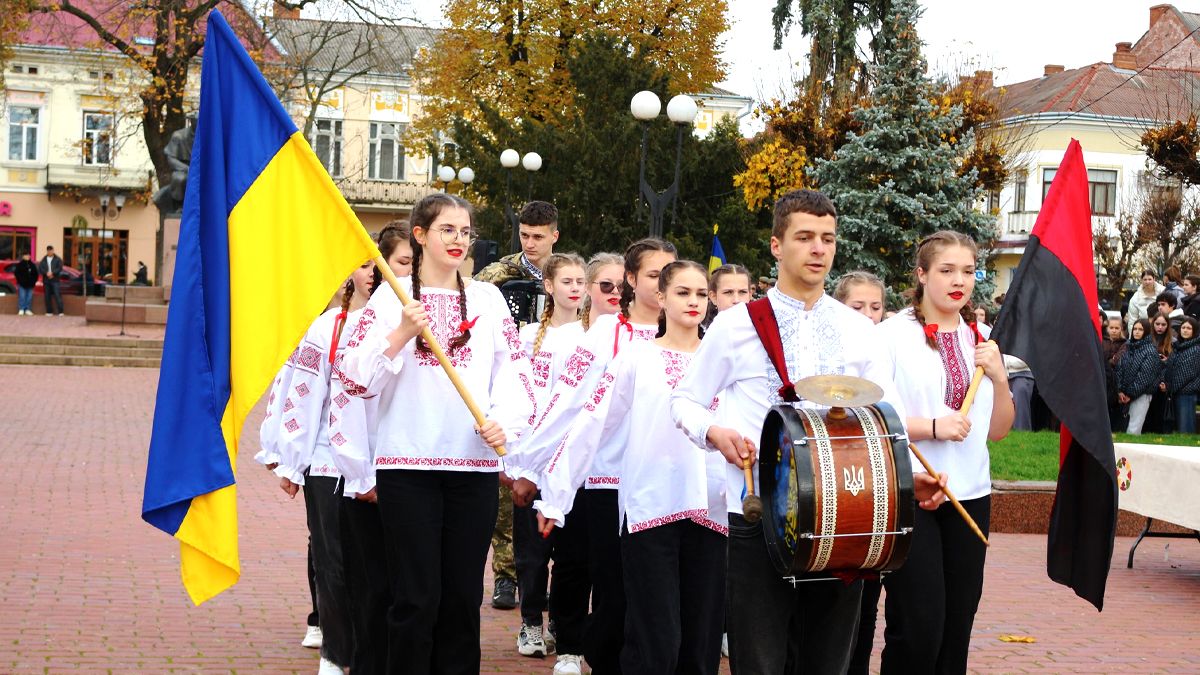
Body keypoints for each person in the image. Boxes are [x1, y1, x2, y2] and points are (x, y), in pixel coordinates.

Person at [670, 190, 948, 675]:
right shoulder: (736, 325)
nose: (818, 249)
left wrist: (904, 482)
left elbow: (885, 420)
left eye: (827, 239)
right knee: (759, 661)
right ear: (777, 246)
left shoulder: (860, 330)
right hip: (756, 510)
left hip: (843, 514)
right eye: (804, 237)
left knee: (828, 662)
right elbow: (684, 400)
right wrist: (713, 431)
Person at [339, 193, 537, 673]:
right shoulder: (393, 295)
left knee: (462, 600)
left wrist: (503, 422)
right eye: (447, 229)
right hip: (407, 465)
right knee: (415, 598)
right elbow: (353, 376)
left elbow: (515, 371)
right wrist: (401, 334)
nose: (458, 239)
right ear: (421, 235)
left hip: (472, 468)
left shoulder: (488, 299)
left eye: (465, 231)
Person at [536, 260, 727, 674]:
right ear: (661, 297)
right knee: (655, 637)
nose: (692, 302)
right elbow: (592, 424)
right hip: (650, 507)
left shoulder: (724, 362)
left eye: (699, 294)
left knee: (701, 640)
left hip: (713, 509)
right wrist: (556, 495)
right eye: (681, 292)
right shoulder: (636, 357)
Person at [510, 238, 678, 675]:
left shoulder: (688, 334)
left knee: (658, 600)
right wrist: (532, 468)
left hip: (666, 488)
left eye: (671, 274)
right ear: (631, 280)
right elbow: (568, 404)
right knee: (612, 593)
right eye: (655, 275)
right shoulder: (608, 332)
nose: (665, 285)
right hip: (608, 483)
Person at [874, 231, 1015, 675]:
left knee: (957, 629)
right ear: (921, 274)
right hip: (914, 492)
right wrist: (934, 427)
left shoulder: (985, 339)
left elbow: (998, 431)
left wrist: (999, 377)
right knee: (918, 628)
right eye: (946, 270)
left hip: (971, 494)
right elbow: (875, 418)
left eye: (969, 271)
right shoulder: (892, 336)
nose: (960, 280)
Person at [257, 261, 375, 675]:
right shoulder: (328, 327)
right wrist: (289, 458)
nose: (374, 273)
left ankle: (367, 645)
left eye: (389, 263)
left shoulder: (410, 329)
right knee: (331, 555)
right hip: (327, 460)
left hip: (385, 464)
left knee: (373, 560)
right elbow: (301, 392)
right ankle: (334, 650)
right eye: (365, 264)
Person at [328, 221, 413, 675]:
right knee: (373, 588)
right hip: (370, 480)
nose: (414, 273)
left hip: (418, 479)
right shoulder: (365, 325)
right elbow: (345, 400)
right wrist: (361, 475)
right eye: (403, 263)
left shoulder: (451, 318)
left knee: (414, 592)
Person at [475, 200, 560, 609]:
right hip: (507, 378)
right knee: (505, 489)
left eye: (538, 236)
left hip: (549, 385)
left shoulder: (565, 273)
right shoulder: (497, 273)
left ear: (554, 236)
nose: (530, 243)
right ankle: (505, 576)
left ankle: (539, 579)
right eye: (524, 234)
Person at [513, 252, 586, 659]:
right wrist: (518, 462)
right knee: (533, 552)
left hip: (574, 459)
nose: (574, 289)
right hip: (535, 460)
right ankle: (530, 623)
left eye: (580, 282)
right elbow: (517, 398)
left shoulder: (591, 338)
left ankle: (561, 619)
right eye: (567, 281)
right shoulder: (527, 339)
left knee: (571, 552)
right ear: (549, 286)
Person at [831, 268, 888, 675]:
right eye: (858, 306)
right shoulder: (835, 350)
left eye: (876, 307)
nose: (868, 315)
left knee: (867, 599)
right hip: (835, 482)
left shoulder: (886, 350)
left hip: (874, 487)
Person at [1116, 319, 1162, 435]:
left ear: (1146, 331)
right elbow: (1119, 369)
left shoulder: (1150, 351)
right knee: (1123, 428)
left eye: (1140, 329)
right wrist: (1120, 390)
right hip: (1125, 394)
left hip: (1142, 395)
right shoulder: (1129, 347)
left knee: (1133, 429)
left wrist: (1130, 394)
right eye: (1135, 329)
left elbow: (1144, 377)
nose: (1136, 332)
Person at [1166, 317, 1200, 434]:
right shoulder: (1178, 347)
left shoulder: (1195, 349)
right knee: (1176, 429)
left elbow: (1186, 374)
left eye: (1189, 328)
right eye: (1183, 327)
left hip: (1187, 394)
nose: (1185, 330)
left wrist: (1170, 388)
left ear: (1194, 331)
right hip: (1175, 392)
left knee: (1185, 429)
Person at [579, 253, 625, 331]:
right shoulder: (566, 334)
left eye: (622, 286)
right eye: (606, 284)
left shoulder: (639, 336)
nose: (615, 291)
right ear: (587, 287)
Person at [1147, 313, 1174, 433]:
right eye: (1157, 324)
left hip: (1163, 383)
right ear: (1153, 324)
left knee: (1159, 412)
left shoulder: (1172, 342)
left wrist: (1167, 361)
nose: (1160, 327)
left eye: (1163, 324)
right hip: (1148, 381)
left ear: (1167, 326)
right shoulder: (1147, 339)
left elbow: (1175, 364)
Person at [1103, 318, 1128, 433]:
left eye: (1117, 328)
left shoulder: (1124, 343)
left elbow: (1118, 359)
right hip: (1103, 378)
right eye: (1111, 328)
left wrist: (1109, 361)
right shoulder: (1102, 341)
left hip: (1117, 379)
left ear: (1121, 329)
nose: (1114, 330)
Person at [38, 245, 64, 316]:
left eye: (51, 250)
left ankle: (60, 311)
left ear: (53, 250)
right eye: (48, 250)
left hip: (55, 280)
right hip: (46, 280)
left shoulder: (58, 259)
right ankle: (49, 311)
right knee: (47, 296)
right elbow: (40, 268)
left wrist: (53, 273)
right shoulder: (43, 259)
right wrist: (46, 273)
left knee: (57, 295)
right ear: (47, 251)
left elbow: (60, 268)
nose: (50, 252)